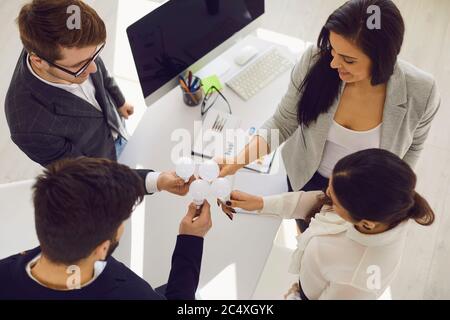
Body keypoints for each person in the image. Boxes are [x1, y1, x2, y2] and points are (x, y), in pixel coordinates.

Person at [217, 0, 440, 231]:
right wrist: (236, 162)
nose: (334, 63)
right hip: (306, 176)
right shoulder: (315, 61)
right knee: (307, 234)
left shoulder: (421, 92)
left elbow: (413, 147)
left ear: (384, 57)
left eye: (349, 60)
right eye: (332, 50)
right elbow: (283, 123)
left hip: (364, 195)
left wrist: (388, 195)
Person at [219, 149, 435, 300]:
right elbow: (318, 202)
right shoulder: (380, 207)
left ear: (366, 223)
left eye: (335, 198)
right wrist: (260, 203)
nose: (326, 194)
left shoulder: (355, 281)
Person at [0, 157, 212, 300]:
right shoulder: (134, 295)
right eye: (122, 221)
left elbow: (83, 190)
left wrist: (156, 181)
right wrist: (191, 241)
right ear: (102, 249)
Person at [5, 0, 135, 165]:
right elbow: (80, 172)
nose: (93, 68)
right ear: (38, 61)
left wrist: (119, 101)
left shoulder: (75, 48)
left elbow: (101, 71)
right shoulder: (28, 127)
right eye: (79, 66)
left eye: (94, 55)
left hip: (118, 126)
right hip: (103, 163)